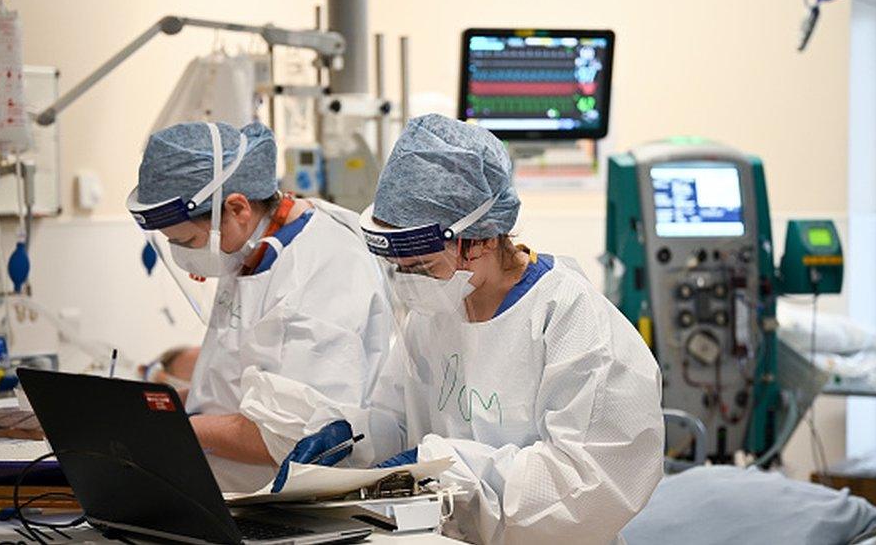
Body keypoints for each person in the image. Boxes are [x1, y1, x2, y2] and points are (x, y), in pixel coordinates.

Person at [272, 114, 665, 544]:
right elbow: (403, 418)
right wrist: (351, 442)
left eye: (420, 266)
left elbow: (590, 486)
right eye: (398, 269)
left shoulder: (574, 326)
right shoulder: (436, 311)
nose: (408, 282)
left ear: (478, 241)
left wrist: (447, 468)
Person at [126, 121, 396, 492]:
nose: (184, 256)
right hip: (227, 492)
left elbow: (289, 438)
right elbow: (230, 386)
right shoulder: (249, 252)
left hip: (290, 506)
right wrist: (145, 407)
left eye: (188, 241)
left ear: (237, 208)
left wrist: (165, 427)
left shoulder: (324, 268)